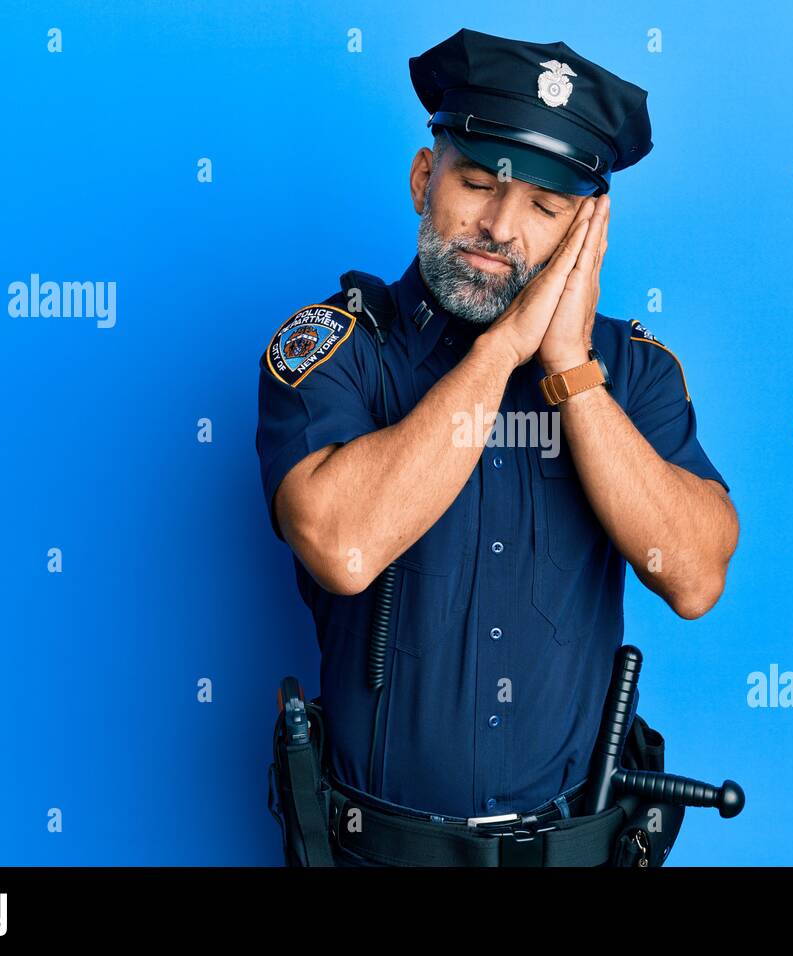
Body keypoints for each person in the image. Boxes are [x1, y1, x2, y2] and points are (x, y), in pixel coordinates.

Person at [256, 27, 739, 867]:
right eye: (477, 183)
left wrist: (571, 372)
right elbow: (341, 545)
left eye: (546, 209)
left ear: (586, 232)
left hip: (575, 850)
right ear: (422, 179)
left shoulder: (634, 374)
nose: (500, 227)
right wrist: (500, 353)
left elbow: (695, 577)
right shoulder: (336, 349)